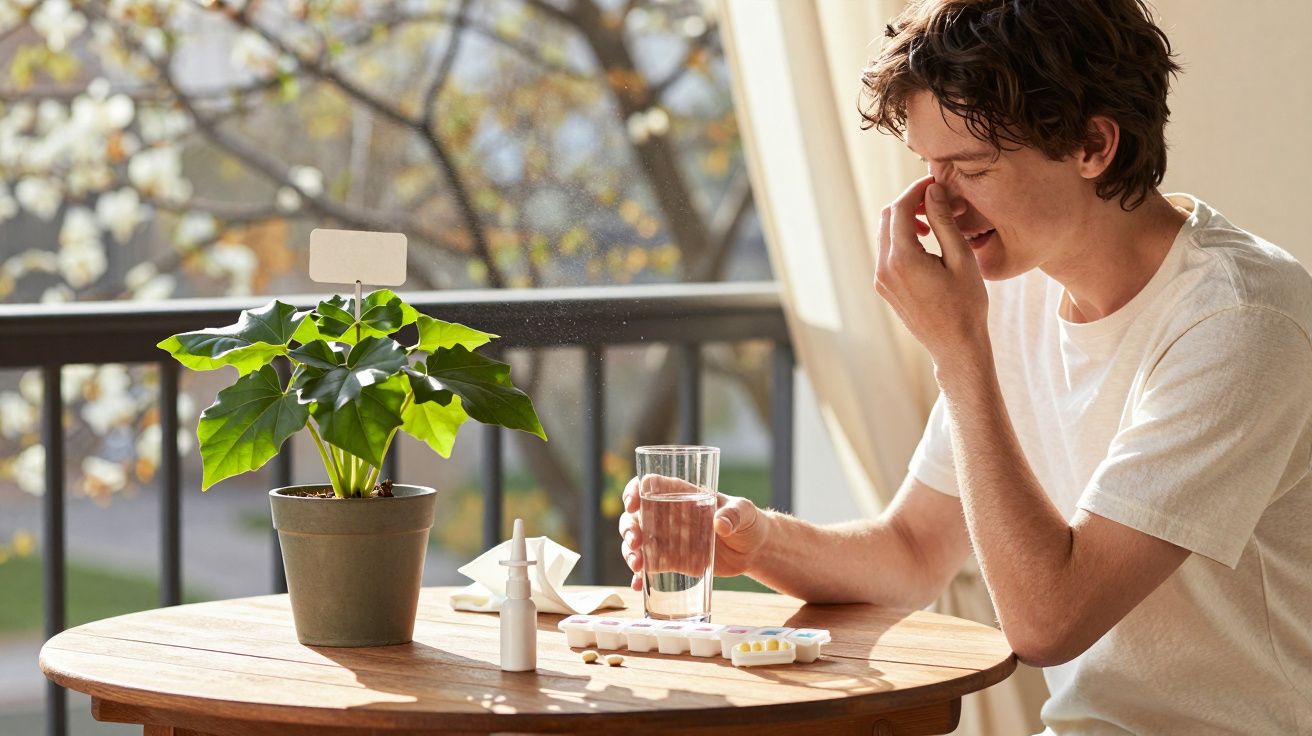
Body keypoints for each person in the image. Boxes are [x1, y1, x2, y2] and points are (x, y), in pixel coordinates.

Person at [618, 0, 1312, 733]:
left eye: (971, 168)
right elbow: (914, 553)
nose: (933, 206)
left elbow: (1049, 623)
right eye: (927, 167)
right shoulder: (1017, 285)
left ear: (1092, 145)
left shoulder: (1238, 321)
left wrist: (959, 352)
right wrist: (758, 539)